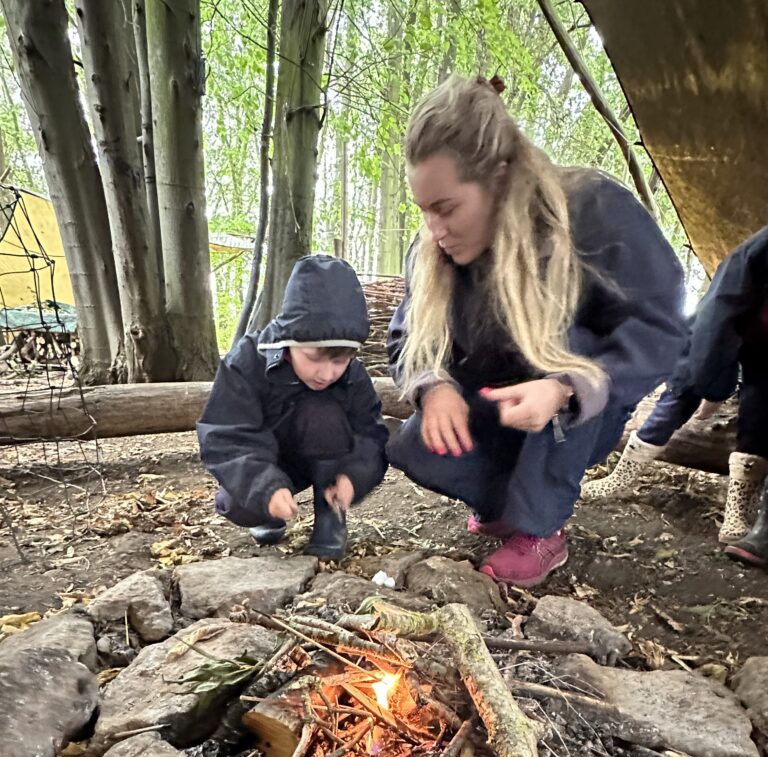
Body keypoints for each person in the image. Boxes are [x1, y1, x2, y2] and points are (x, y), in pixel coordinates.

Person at [386, 74, 688, 587]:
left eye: (446, 208)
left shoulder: (591, 210)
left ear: (499, 179)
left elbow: (661, 327)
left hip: (574, 410)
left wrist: (565, 387)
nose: (435, 230)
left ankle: (542, 529)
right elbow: (405, 336)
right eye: (424, 211)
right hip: (495, 405)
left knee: (568, 350)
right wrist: (432, 388)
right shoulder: (433, 251)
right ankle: (499, 501)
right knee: (420, 444)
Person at [582, 224, 768, 543]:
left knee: (758, 419)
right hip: (717, 333)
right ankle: (621, 479)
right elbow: (717, 319)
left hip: (764, 352)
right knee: (678, 398)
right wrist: (714, 386)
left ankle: (739, 510)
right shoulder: (753, 256)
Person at [197, 254, 389, 560]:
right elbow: (226, 435)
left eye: (340, 360)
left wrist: (353, 477)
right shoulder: (246, 362)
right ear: (289, 340)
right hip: (267, 463)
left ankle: (330, 516)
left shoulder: (353, 376)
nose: (327, 373)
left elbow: (371, 435)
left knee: (323, 412)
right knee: (235, 503)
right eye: (314, 358)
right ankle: (271, 512)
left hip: (323, 464)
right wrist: (265, 487)